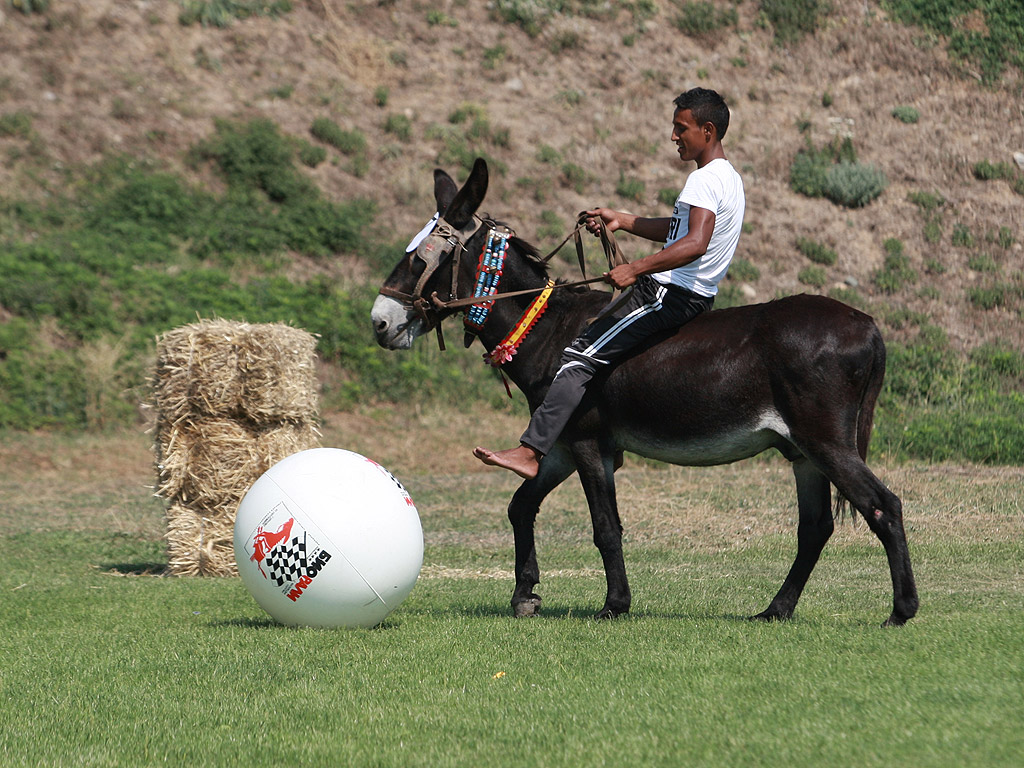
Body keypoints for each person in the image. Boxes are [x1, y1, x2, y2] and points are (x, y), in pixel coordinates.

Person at [474, 87, 745, 480]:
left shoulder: (701, 181)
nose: (673, 137)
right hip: (697, 296)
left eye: (680, 128)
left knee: (579, 355)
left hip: (669, 295)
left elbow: (694, 243)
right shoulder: (728, 178)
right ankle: (606, 444)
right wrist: (624, 220)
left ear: (707, 130)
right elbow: (679, 229)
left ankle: (530, 452)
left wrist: (636, 269)